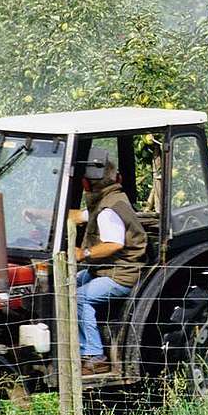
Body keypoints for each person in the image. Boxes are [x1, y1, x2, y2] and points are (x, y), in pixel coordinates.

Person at [73, 147, 148, 375]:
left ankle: (95, 356)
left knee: (78, 298)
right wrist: (39, 215)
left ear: (86, 184)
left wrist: (83, 254)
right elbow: (80, 216)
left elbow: (114, 244)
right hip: (106, 270)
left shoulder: (108, 211)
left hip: (121, 274)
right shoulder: (112, 198)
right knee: (68, 283)